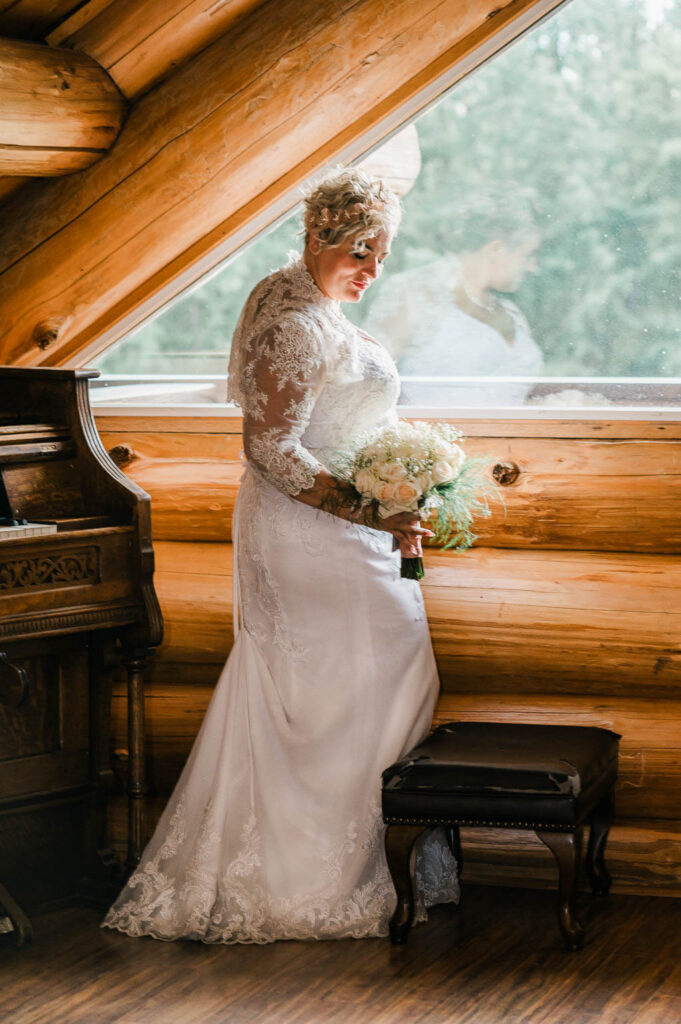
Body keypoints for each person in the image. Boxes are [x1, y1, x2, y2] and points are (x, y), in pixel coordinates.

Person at [102, 168, 458, 944]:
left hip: (354, 528)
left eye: (383, 254)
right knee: (327, 692)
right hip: (308, 536)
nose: (372, 269)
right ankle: (301, 880)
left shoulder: (319, 306)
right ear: (318, 239)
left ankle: (367, 863)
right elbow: (269, 448)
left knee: (380, 683)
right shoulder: (289, 320)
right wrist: (372, 506)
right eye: (361, 252)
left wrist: (399, 486)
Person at [366, 190, 543, 406]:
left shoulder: (507, 310)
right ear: (495, 249)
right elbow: (369, 382)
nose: (533, 266)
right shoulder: (415, 293)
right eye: (527, 254)